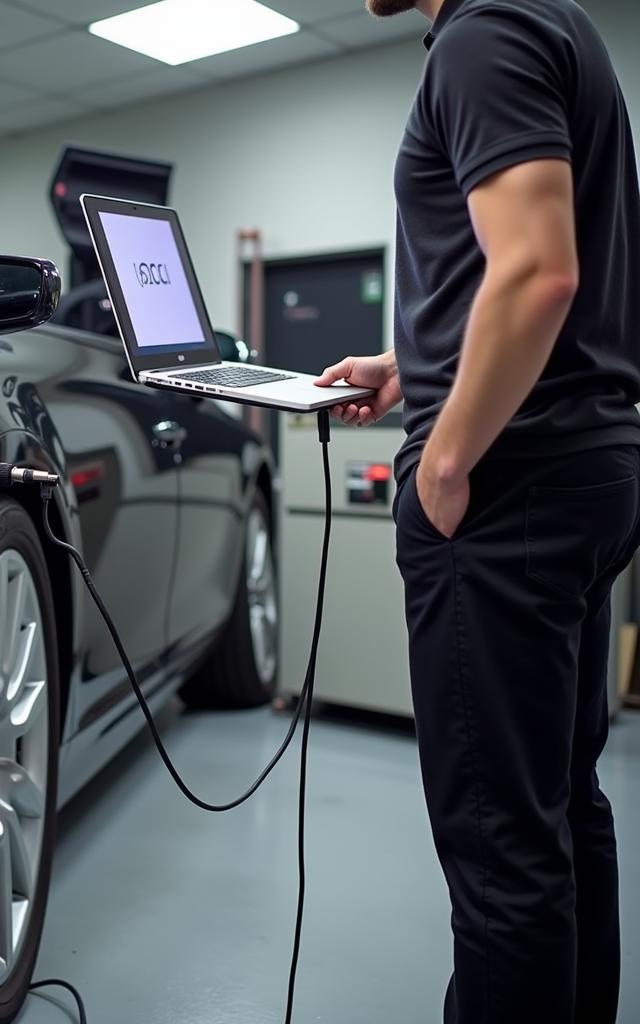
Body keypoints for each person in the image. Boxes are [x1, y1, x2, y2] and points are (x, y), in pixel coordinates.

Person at [315, 1, 640, 1021]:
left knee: (501, 845)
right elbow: (525, 282)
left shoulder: (479, 36)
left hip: (507, 487)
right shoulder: (555, 22)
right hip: (586, 462)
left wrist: (445, 460)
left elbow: (540, 276)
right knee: (559, 802)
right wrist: (409, 370)